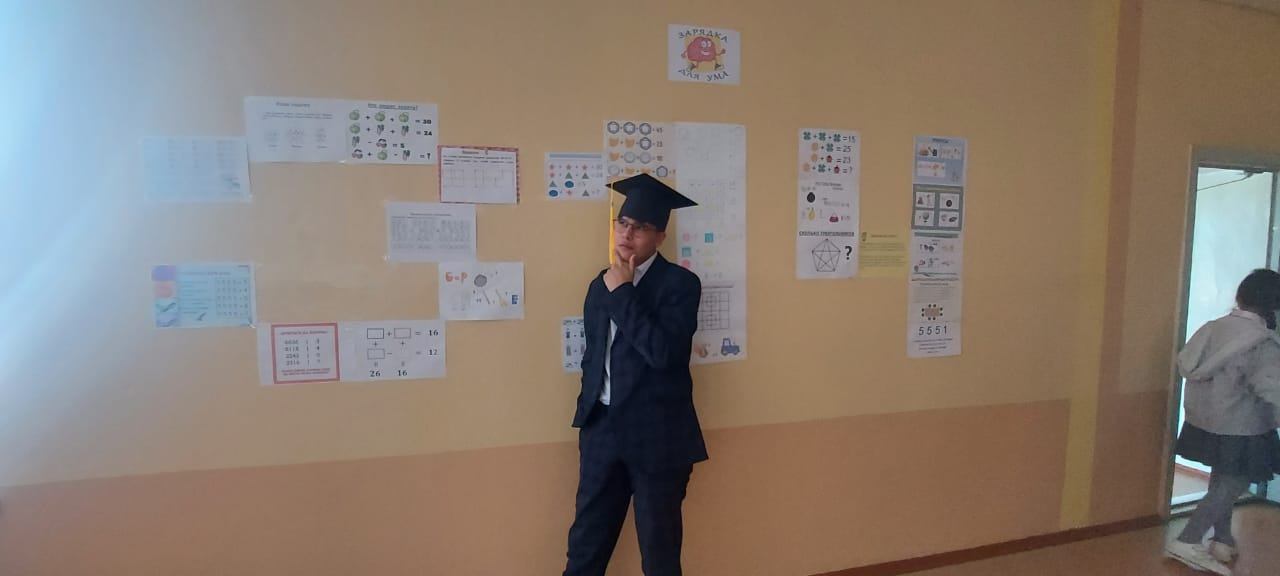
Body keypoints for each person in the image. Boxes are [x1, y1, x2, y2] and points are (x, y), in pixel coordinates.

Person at [563, 173, 708, 576]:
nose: (627, 234)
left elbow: (663, 354)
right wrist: (589, 416)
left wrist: (624, 293)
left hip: (658, 437)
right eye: (623, 223)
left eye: (640, 227)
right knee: (585, 546)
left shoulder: (681, 284)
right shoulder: (600, 285)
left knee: (659, 555)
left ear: (660, 237)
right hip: (602, 432)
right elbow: (593, 356)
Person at [1166, 268, 1280, 575]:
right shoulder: (1261, 343)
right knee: (1234, 482)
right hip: (1243, 425)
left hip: (1206, 420)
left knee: (1221, 478)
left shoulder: (1213, 328)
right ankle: (1188, 539)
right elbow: (1272, 388)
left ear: (1241, 295)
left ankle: (1222, 538)